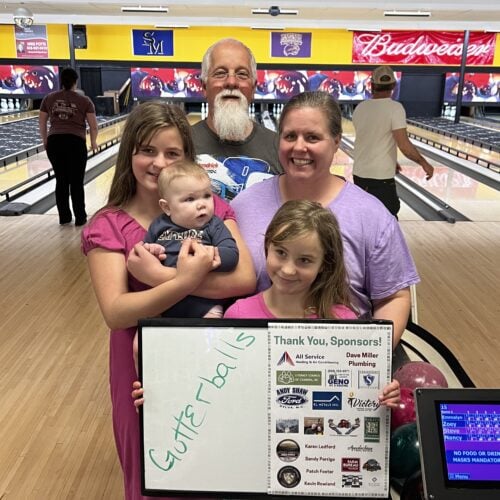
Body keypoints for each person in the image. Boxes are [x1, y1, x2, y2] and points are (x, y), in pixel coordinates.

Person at [81, 100, 256, 500]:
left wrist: (159, 278)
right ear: (130, 153)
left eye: (172, 153)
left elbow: (243, 278)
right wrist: (187, 280)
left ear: (186, 159)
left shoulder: (212, 210)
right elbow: (116, 312)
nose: (159, 163)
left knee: (213, 467)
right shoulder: (108, 225)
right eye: (147, 150)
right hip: (139, 364)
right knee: (154, 472)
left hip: (211, 357)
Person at [133, 200, 400, 409]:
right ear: (267, 247)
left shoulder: (344, 322)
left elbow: (360, 400)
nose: (288, 269)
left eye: (305, 260)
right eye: (281, 253)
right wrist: (162, 400)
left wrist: (383, 397)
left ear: (324, 264)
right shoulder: (238, 315)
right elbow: (213, 390)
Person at [230, 90, 419, 365]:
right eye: (290, 136)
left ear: (336, 142)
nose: (299, 147)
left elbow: (393, 297)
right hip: (252, 360)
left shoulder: (372, 215)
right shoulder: (243, 205)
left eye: (312, 137)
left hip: (339, 367)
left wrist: (368, 362)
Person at [143, 160, 239, 319]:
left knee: (209, 331)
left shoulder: (213, 225)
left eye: (207, 196)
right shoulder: (158, 226)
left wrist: (207, 255)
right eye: (190, 199)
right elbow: (145, 254)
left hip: (205, 305)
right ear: (167, 207)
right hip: (165, 303)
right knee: (142, 334)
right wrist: (153, 251)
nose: (202, 204)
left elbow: (232, 254)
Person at [192, 38, 282, 201]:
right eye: (220, 73)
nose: (231, 82)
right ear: (204, 86)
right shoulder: (182, 144)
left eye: (242, 74)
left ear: (253, 88)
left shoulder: (279, 148)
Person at [352, 65, 434, 217]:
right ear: (394, 86)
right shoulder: (396, 108)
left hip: (359, 175)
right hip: (381, 177)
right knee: (388, 219)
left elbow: (370, 139)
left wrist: (390, 159)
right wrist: (424, 163)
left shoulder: (360, 108)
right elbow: (404, 145)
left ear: (372, 85)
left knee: (365, 217)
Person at [39, 66, 98, 226]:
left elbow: (42, 122)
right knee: (76, 182)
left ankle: (64, 217)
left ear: (61, 81)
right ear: (75, 82)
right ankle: (80, 217)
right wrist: (93, 142)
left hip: (55, 142)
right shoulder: (85, 101)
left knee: (61, 180)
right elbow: (93, 126)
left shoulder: (49, 98)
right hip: (75, 142)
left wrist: (45, 140)